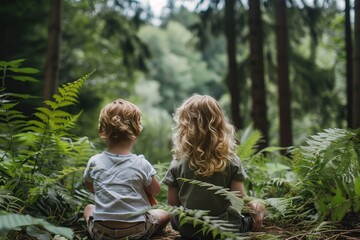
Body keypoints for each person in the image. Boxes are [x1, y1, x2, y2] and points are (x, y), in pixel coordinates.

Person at [163, 94, 265, 239]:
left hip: (188, 229)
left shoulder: (177, 163)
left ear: (185, 126)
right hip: (225, 229)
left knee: (175, 218)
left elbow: (172, 205)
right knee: (246, 218)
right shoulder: (230, 161)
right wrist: (257, 206)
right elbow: (240, 199)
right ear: (220, 125)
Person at [83, 98, 170, 240]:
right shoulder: (141, 164)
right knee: (165, 214)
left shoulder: (94, 161)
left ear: (102, 130)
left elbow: (91, 188)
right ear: (137, 132)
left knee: (88, 208)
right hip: (136, 231)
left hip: (101, 232)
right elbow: (156, 190)